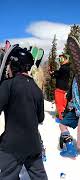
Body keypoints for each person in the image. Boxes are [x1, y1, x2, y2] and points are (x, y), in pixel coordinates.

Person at [0, 46, 47, 179]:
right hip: (34, 145)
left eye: (9, 65)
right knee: (39, 176)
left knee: (8, 176)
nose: (8, 68)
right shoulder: (37, 90)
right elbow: (40, 118)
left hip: (12, 145)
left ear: (15, 65)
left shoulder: (8, 85)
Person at [58, 77, 80, 158]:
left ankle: (70, 149)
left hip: (78, 109)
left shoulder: (78, 77)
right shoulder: (78, 76)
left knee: (62, 125)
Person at [50, 53, 71, 121]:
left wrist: (54, 73)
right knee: (63, 104)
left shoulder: (64, 68)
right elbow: (59, 73)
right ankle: (64, 116)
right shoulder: (65, 67)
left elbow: (59, 73)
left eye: (61, 59)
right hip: (64, 89)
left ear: (66, 59)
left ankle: (62, 119)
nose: (60, 61)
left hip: (60, 89)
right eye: (59, 59)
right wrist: (53, 73)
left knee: (59, 104)